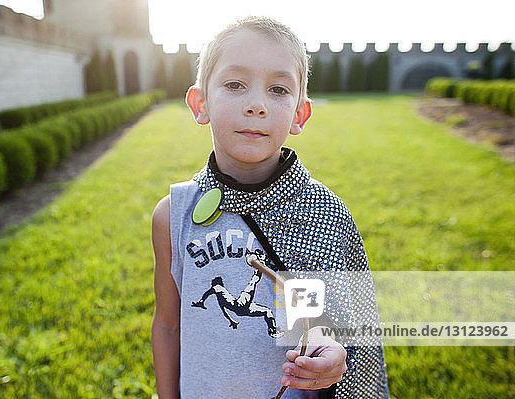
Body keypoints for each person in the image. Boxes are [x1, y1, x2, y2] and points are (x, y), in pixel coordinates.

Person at [151, 16, 389, 398]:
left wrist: (331, 355)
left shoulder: (319, 214)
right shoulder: (172, 215)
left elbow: (325, 325)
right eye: (234, 85)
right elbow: (168, 325)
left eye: (278, 89)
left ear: (299, 114)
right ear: (200, 104)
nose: (256, 105)